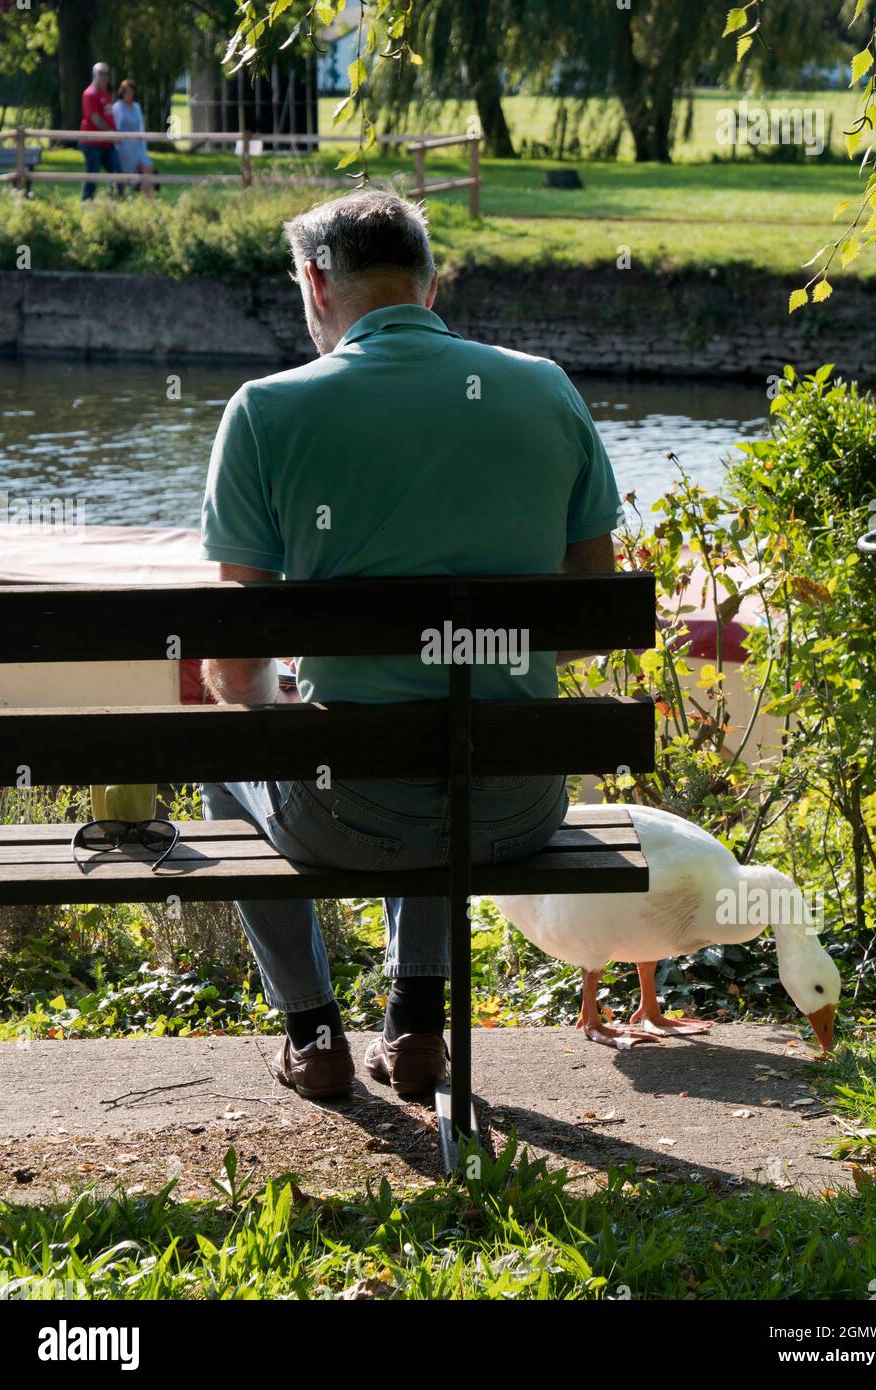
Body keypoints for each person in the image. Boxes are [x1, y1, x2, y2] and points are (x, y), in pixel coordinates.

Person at [199, 190, 621, 1103]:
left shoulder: (266, 410)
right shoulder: (545, 386)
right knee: (452, 719)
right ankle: (419, 1027)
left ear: (316, 283)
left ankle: (313, 1034)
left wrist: (295, 701)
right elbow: (589, 627)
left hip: (344, 816)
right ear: (430, 285)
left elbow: (236, 676)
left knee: (227, 754)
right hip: (516, 808)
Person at [79, 61, 120, 201]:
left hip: (106, 143)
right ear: (94, 74)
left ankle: (116, 203)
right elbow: (95, 119)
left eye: (106, 73)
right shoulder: (90, 94)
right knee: (92, 174)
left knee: (117, 172)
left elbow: (108, 117)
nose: (104, 77)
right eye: (101, 73)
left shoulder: (105, 94)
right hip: (92, 143)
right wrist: (111, 133)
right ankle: (87, 203)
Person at [111, 79, 154, 197]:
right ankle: (119, 198)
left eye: (131, 92)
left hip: (137, 146)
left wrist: (143, 144)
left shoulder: (136, 107)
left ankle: (149, 201)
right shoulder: (117, 107)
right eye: (126, 92)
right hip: (123, 147)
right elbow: (115, 126)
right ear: (122, 92)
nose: (129, 94)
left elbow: (141, 127)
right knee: (124, 177)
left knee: (148, 167)